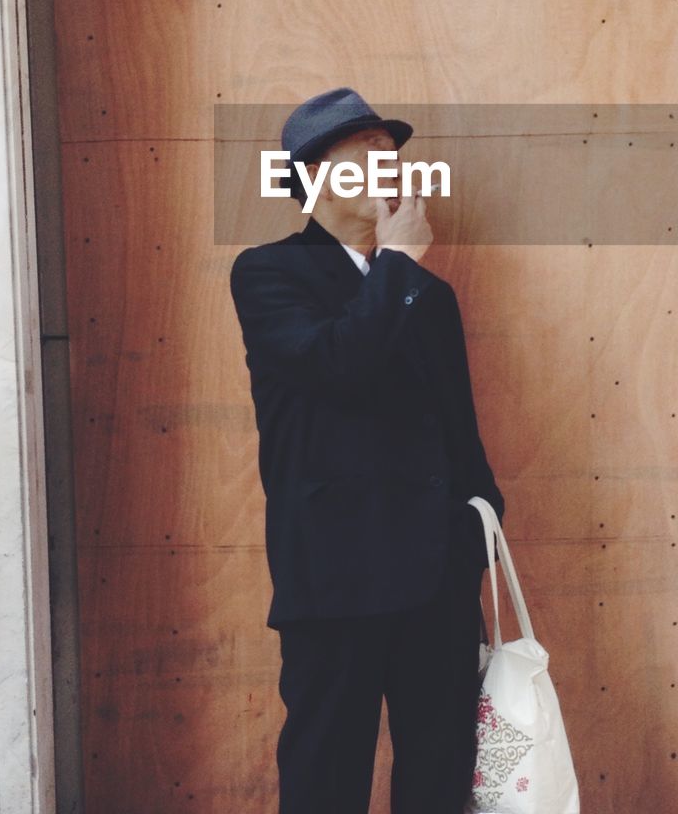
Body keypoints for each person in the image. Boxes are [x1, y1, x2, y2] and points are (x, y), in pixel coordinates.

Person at [229, 86, 506, 814]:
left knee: (441, 777)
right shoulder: (268, 274)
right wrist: (398, 268)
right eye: (372, 158)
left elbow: (457, 431)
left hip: (435, 581)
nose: (396, 173)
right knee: (326, 777)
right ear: (316, 178)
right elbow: (336, 366)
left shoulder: (427, 294)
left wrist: (473, 530)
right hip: (334, 581)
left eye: (396, 159)